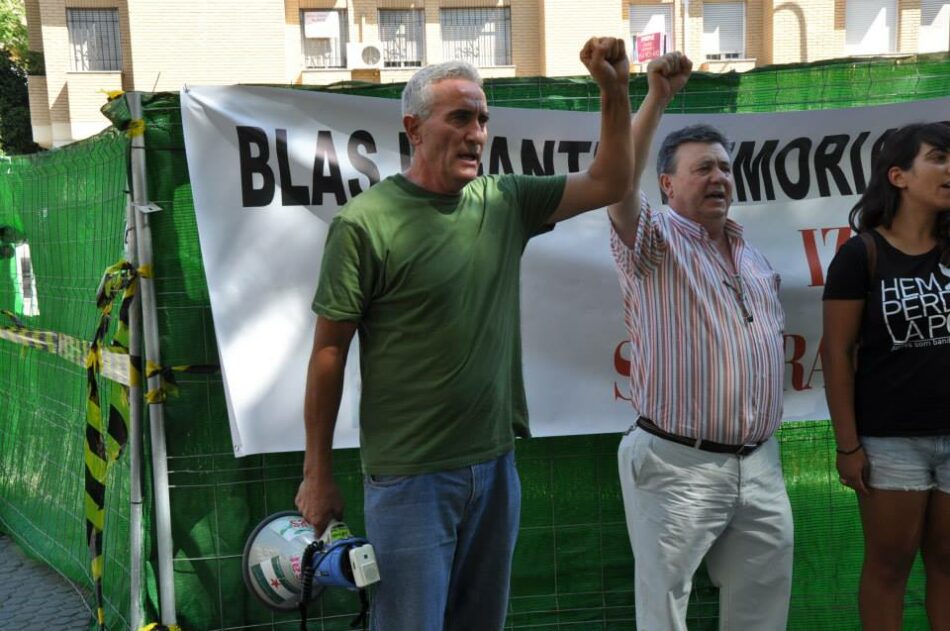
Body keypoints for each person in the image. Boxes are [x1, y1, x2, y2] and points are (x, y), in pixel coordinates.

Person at [295, 38, 634, 631]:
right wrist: (317, 472)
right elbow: (328, 350)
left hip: (495, 467)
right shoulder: (363, 224)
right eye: (460, 117)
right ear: (414, 129)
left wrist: (614, 91)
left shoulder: (504, 201)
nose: (477, 132)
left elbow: (609, 181)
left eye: (482, 118)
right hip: (410, 479)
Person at [610, 52, 793, 631]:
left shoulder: (753, 255)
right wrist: (656, 98)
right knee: (664, 612)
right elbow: (617, 181)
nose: (718, 177)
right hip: (675, 464)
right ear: (665, 184)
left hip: (759, 464)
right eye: (701, 169)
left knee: (762, 611)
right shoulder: (654, 241)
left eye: (723, 167)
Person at [822, 121, 950, 631]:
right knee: (889, 568)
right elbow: (836, 353)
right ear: (898, 176)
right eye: (939, 158)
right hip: (889, 442)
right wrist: (848, 445)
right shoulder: (860, 255)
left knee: (947, 565)